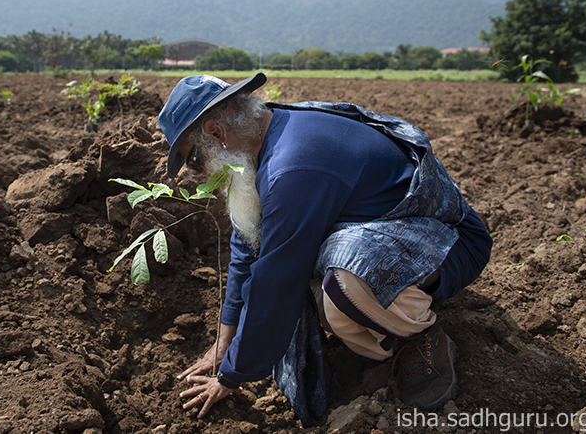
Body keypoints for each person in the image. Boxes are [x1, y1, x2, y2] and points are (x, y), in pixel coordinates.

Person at [157, 73, 493, 426]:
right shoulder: (269, 133)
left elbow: (277, 282)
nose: (203, 167)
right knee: (328, 294)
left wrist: (231, 375)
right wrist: (225, 339)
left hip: (447, 244)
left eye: (195, 157)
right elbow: (248, 245)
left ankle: (420, 335)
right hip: (395, 241)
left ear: (215, 132)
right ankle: (388, 323)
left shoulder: (291, 167)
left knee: (344, 279)